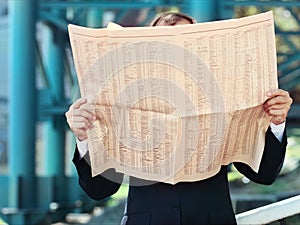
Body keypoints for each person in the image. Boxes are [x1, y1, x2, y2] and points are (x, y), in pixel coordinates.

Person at [65, 12, 293, 225]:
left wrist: (277, 124)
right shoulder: (123, 103)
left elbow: (263, 175)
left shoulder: (224, 98)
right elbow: (99, 190)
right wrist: (84, 138)